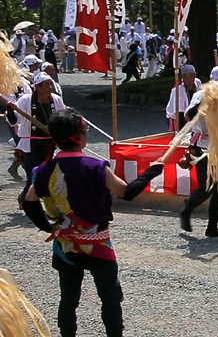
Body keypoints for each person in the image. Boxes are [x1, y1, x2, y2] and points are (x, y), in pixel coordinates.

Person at [22, 109, 164, 337]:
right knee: (110, 296)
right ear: (80, 136)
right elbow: (126, 192)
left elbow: (27, 201)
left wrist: (48, 227)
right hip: (98, 245)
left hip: (65, 246)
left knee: (68, 298)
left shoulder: (44, 170)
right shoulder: (95, 167)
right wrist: (151, 172)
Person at [178, 66, 218, 238]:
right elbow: (188, 115)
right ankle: (186, 211)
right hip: (202, 146)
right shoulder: (201, 94)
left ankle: (212, 228)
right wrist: (205, 104)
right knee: (207, 186)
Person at [7, 72, 66, 208]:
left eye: (51, 83)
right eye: (47, 84)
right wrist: (11, 111)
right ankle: (27, 201)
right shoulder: (25, 100)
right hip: (30, 144)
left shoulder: (56, 100)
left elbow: (62, 117)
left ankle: (33, 200)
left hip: (49, 143)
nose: (50, 86)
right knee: (34, 175)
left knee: (49, 174)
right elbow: (14, 121)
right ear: (38, 87)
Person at [165, 65, 202, 131]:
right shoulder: (178, 90)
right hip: (176, 116)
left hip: (191, 115)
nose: (189, 80)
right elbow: (179, 114)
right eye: (186, 77)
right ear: (182, 77)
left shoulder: (198, 83)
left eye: (191, 76)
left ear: (195, 75)